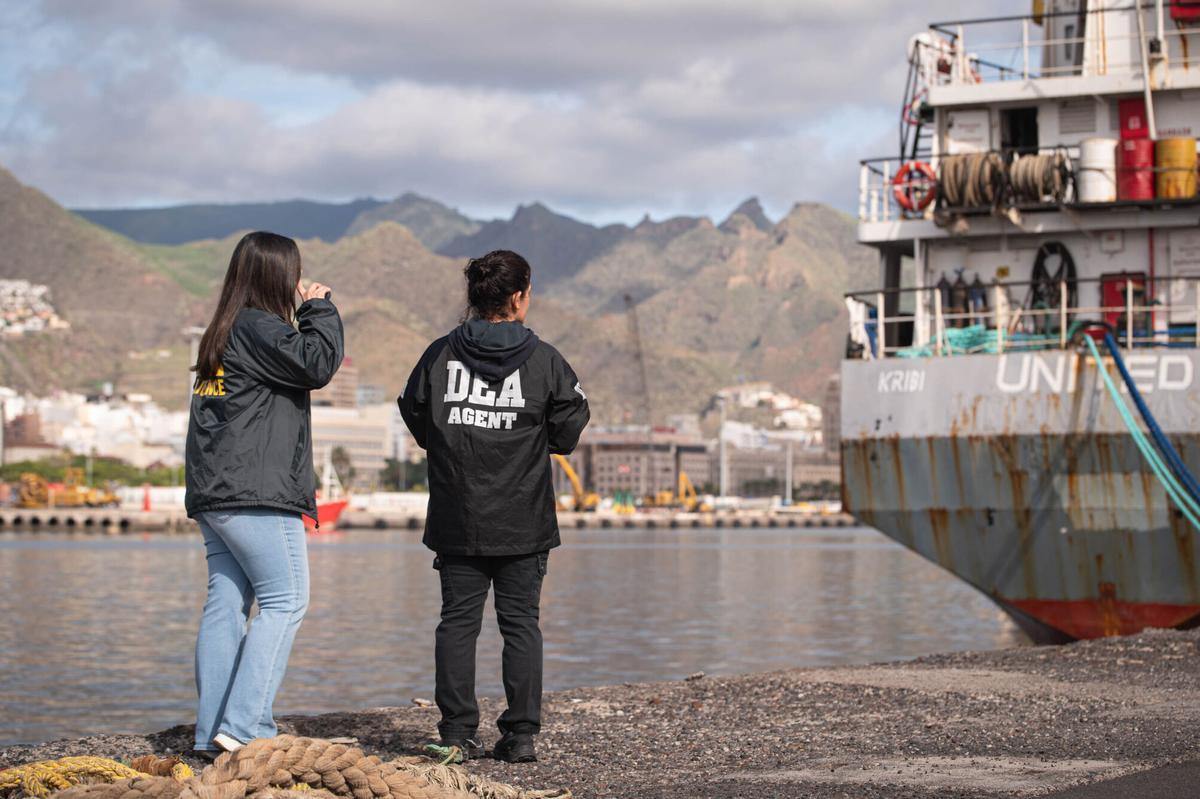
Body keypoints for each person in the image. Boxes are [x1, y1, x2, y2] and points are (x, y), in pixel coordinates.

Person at [399, 249, 589, 764]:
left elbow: (414, 411)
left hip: (456, 516)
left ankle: (456, 734)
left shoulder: (439, 355)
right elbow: (570, 426)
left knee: (457, 623)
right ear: (519, 297)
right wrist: (532, 439)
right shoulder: (545, 360)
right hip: (523, 519)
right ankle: (521, 736)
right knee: (521, 624)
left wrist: (447, 440)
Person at [185, 231, 343, 758]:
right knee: (286, 600)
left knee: (226, 604)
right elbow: (316, 365)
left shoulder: (221, 333)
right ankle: (246, 727)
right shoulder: (259, 327)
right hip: (256, 492)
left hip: (215, 492)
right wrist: (319, 308)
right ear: (280, 276)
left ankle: (212, 732)